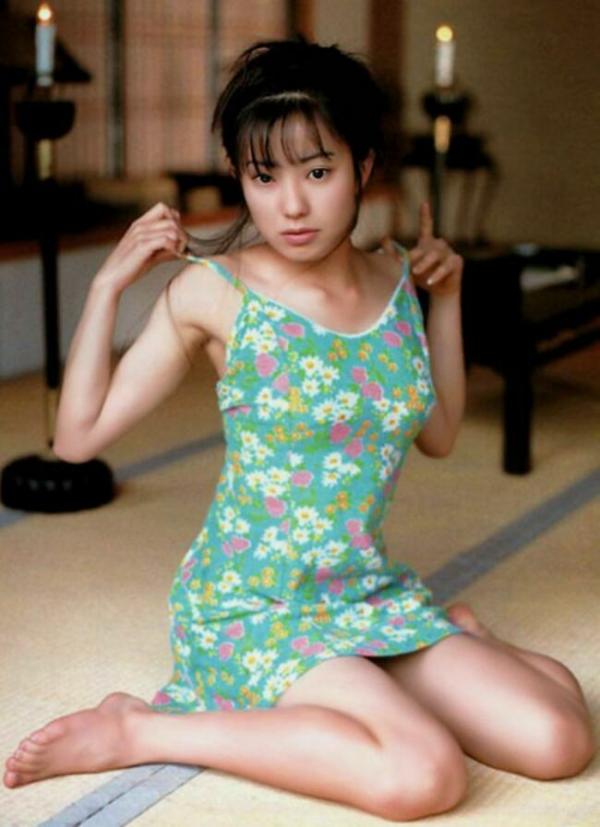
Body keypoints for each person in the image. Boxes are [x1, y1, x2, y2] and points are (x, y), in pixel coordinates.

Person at [4, 39, 593, 821]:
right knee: (423, 774)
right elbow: (77, 439)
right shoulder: (213, 292)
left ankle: (452, 637)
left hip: (365, 593)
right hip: (254, 608)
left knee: (559, 738)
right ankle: (141, 727)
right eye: (264, 176)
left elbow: (441, 433)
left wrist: (447, 298)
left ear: (363, 166)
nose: (290, 205)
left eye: (317, 172)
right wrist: (108, 285)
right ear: (240, 177)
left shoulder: (397, 280)